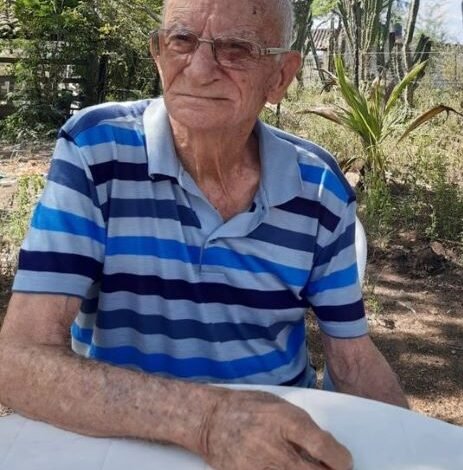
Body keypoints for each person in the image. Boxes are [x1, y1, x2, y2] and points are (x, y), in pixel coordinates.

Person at [0, 0, 408, 468]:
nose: (198, 69)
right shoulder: (96, 151)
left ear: (280, 77)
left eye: (236, 49)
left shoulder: (318, 186)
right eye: (181, 40)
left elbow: (352, 361)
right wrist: (208, 420)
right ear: (158, 54)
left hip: (273, 447)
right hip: (123, 444)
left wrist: (414, 450)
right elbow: (17, 361)